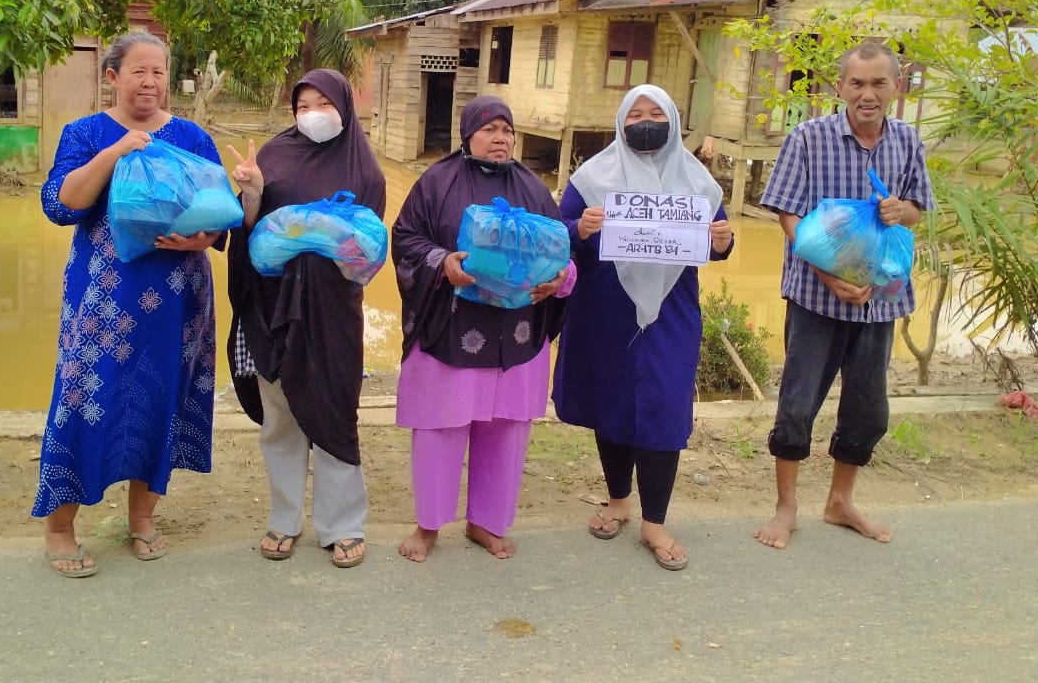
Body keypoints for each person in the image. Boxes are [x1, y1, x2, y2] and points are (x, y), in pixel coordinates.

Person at [32, 31, 225, 577]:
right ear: (112, 76)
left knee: (160, 401)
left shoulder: (191, 136)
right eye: (139, 71)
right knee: (83, 402)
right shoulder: (86, 133)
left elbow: (218, 211)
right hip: (103, 303)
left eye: (159, 72)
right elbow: (61, 204)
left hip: (177, 302)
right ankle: (60, 527)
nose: (151, 82)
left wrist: (204, 238)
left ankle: (141, 519)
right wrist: (115, 153)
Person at [754, 41, 933, 550]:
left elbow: (920, 208)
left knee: (866, 407)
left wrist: (903, 212)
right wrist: (828, 272)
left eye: (879, 82)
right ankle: (786, 507)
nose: (868, 93)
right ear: (840, 88)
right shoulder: (808, 138)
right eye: (857, 83)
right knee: (797, 403)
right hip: (816, 295)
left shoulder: (907, 141)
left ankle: (840, 502)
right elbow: (787, 212)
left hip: (880, 300)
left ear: (896, 87)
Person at [554, 84, 733, 571]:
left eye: (657, 113)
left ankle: (655, 520)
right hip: (605, 308)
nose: (646, 121)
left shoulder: (697, 183)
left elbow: (717, 244)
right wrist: (580, 230)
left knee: (664, 405)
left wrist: (724, 239)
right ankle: (617, 501)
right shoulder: (592, 177)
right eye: (636, 114)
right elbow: (560, 236)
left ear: (673, 120)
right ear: (620, 122)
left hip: (671, 312)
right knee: (612, 401)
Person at [392, 97, 576, 562]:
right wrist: (443, 262)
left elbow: (561, 251)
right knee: (440, 428)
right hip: (452, 331)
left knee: (506, 429)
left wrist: (560, 279)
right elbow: (407, 240)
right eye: (491, 129)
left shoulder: (534, 188)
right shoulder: (436, 183)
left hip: (515, 334)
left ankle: (486, 523)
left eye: (507, 130)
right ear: (468, 133)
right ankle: (429, 525)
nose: (501, 138)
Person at [225, 69, 386, 569]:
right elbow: (245, 233)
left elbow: (368, 258)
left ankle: (343, 525)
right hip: (271, 308)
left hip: (331, 314)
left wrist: (324, 239)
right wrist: (251, 193)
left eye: (323, 102)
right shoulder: (273, 156)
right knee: (281, 419)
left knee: (335, 414)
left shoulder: (366, 173)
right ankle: (284, 518)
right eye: (302, 105)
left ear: (344, 105)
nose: (312, 113)